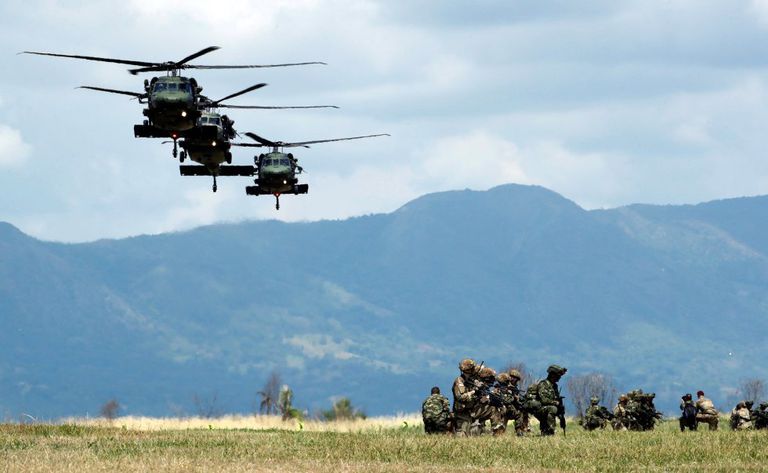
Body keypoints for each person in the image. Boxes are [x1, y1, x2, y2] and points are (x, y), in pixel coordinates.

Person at [527, 364, 567, 436]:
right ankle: (551, 431)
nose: (559, 377)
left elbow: (556, 399)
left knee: (557, 409)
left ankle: (546, 431)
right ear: (552, 375)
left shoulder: (554, 386)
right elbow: (544, 400)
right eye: (558, 376)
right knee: (553, 408)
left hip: (547, 408)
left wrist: (561, 415)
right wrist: (555, 403)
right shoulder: (543, 384)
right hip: (540, 409)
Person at [491, 370, 525, 436]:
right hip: (502, 408)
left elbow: (516, 400)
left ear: (517, 379)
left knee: (520, 412)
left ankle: (519, 430)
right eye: (511, 376)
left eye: (514, 377)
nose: (512, 379)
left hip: (510, 408)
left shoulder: (515, 388)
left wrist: (516, 399)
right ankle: (498, 431)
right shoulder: (503, 385)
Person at [452, 358, 481, 437]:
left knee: (473, 433)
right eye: (473, 369)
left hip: (469, 412)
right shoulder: (459, 381)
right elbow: (460, 397)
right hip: (461, 413)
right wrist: (473, 392)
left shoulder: (470, 381)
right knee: (462, 435)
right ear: (469, 370)